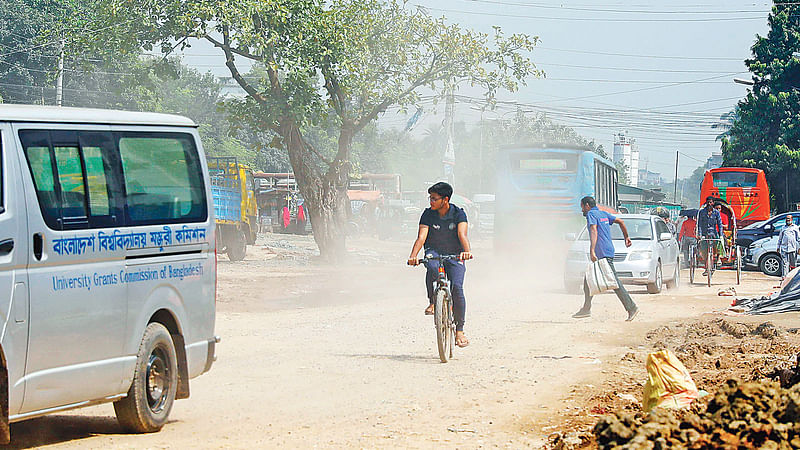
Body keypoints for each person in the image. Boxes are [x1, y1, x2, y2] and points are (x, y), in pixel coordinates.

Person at [407, 182, 473, 347]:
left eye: (434, 199)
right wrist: (413, 256)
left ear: (445, 199)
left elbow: (462, 234)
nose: (431, 202)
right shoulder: (428, 214)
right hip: (434, 250)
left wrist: (467, 251)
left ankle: (460, 331)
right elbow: (421, 237)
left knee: (457, 287)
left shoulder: (459, 214)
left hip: (455, 253)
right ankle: (433, 301)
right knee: (431, 265)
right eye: (430, 198)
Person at [572, 196, 639, 321]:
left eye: (582, 207)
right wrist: (626, 237)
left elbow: (593, 230)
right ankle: (586, 309)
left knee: (614, 282)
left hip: (601, 252)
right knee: (588, 280)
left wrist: (592, 250)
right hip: (608, 250)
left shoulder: (591, 214)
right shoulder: (603, 214)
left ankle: (631, 307)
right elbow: (621, 222)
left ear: (587, 205)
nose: (582, 210)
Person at [697, 196, 724, 276]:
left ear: (713, 203)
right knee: (704, 250)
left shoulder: (716, 212)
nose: (709, 204)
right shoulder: (702, 212)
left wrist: (721, 235)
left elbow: (719, 224)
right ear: (706, 203)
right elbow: (699, 224)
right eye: (708, 202)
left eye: (711, 202)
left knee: (719, 245)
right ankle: (707, 267)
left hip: (714, 233)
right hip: (705, 234)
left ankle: (718, 259)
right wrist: (700, 234)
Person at [778, 214, 799, 282]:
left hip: (793, 248)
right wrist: (778, 247)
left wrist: (799, 248)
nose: (788, 220)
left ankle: (793, 277)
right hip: (784, 248)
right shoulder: (783, 228)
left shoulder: (795, 227)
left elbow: (798, 238)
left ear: (792, 219)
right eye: (787, 219)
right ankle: (784, 277)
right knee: (785, 263)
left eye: (789, 219)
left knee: (793, 263)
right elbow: (780, 238)